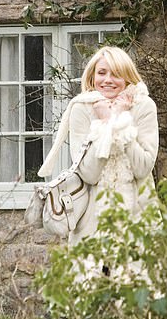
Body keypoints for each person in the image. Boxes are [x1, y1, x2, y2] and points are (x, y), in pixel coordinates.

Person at [37, 46, 159, 245]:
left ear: (127, 77)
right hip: (91, 224)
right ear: (92, 76)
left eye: (116, 74)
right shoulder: (81, 108)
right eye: (102, 73)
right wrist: (104, 125)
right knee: (89, 275)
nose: (108, 80)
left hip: (139, 219)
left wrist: (119, 122)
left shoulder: (144, 106)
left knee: (136, 275)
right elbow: (89, 174)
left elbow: (143, 167)